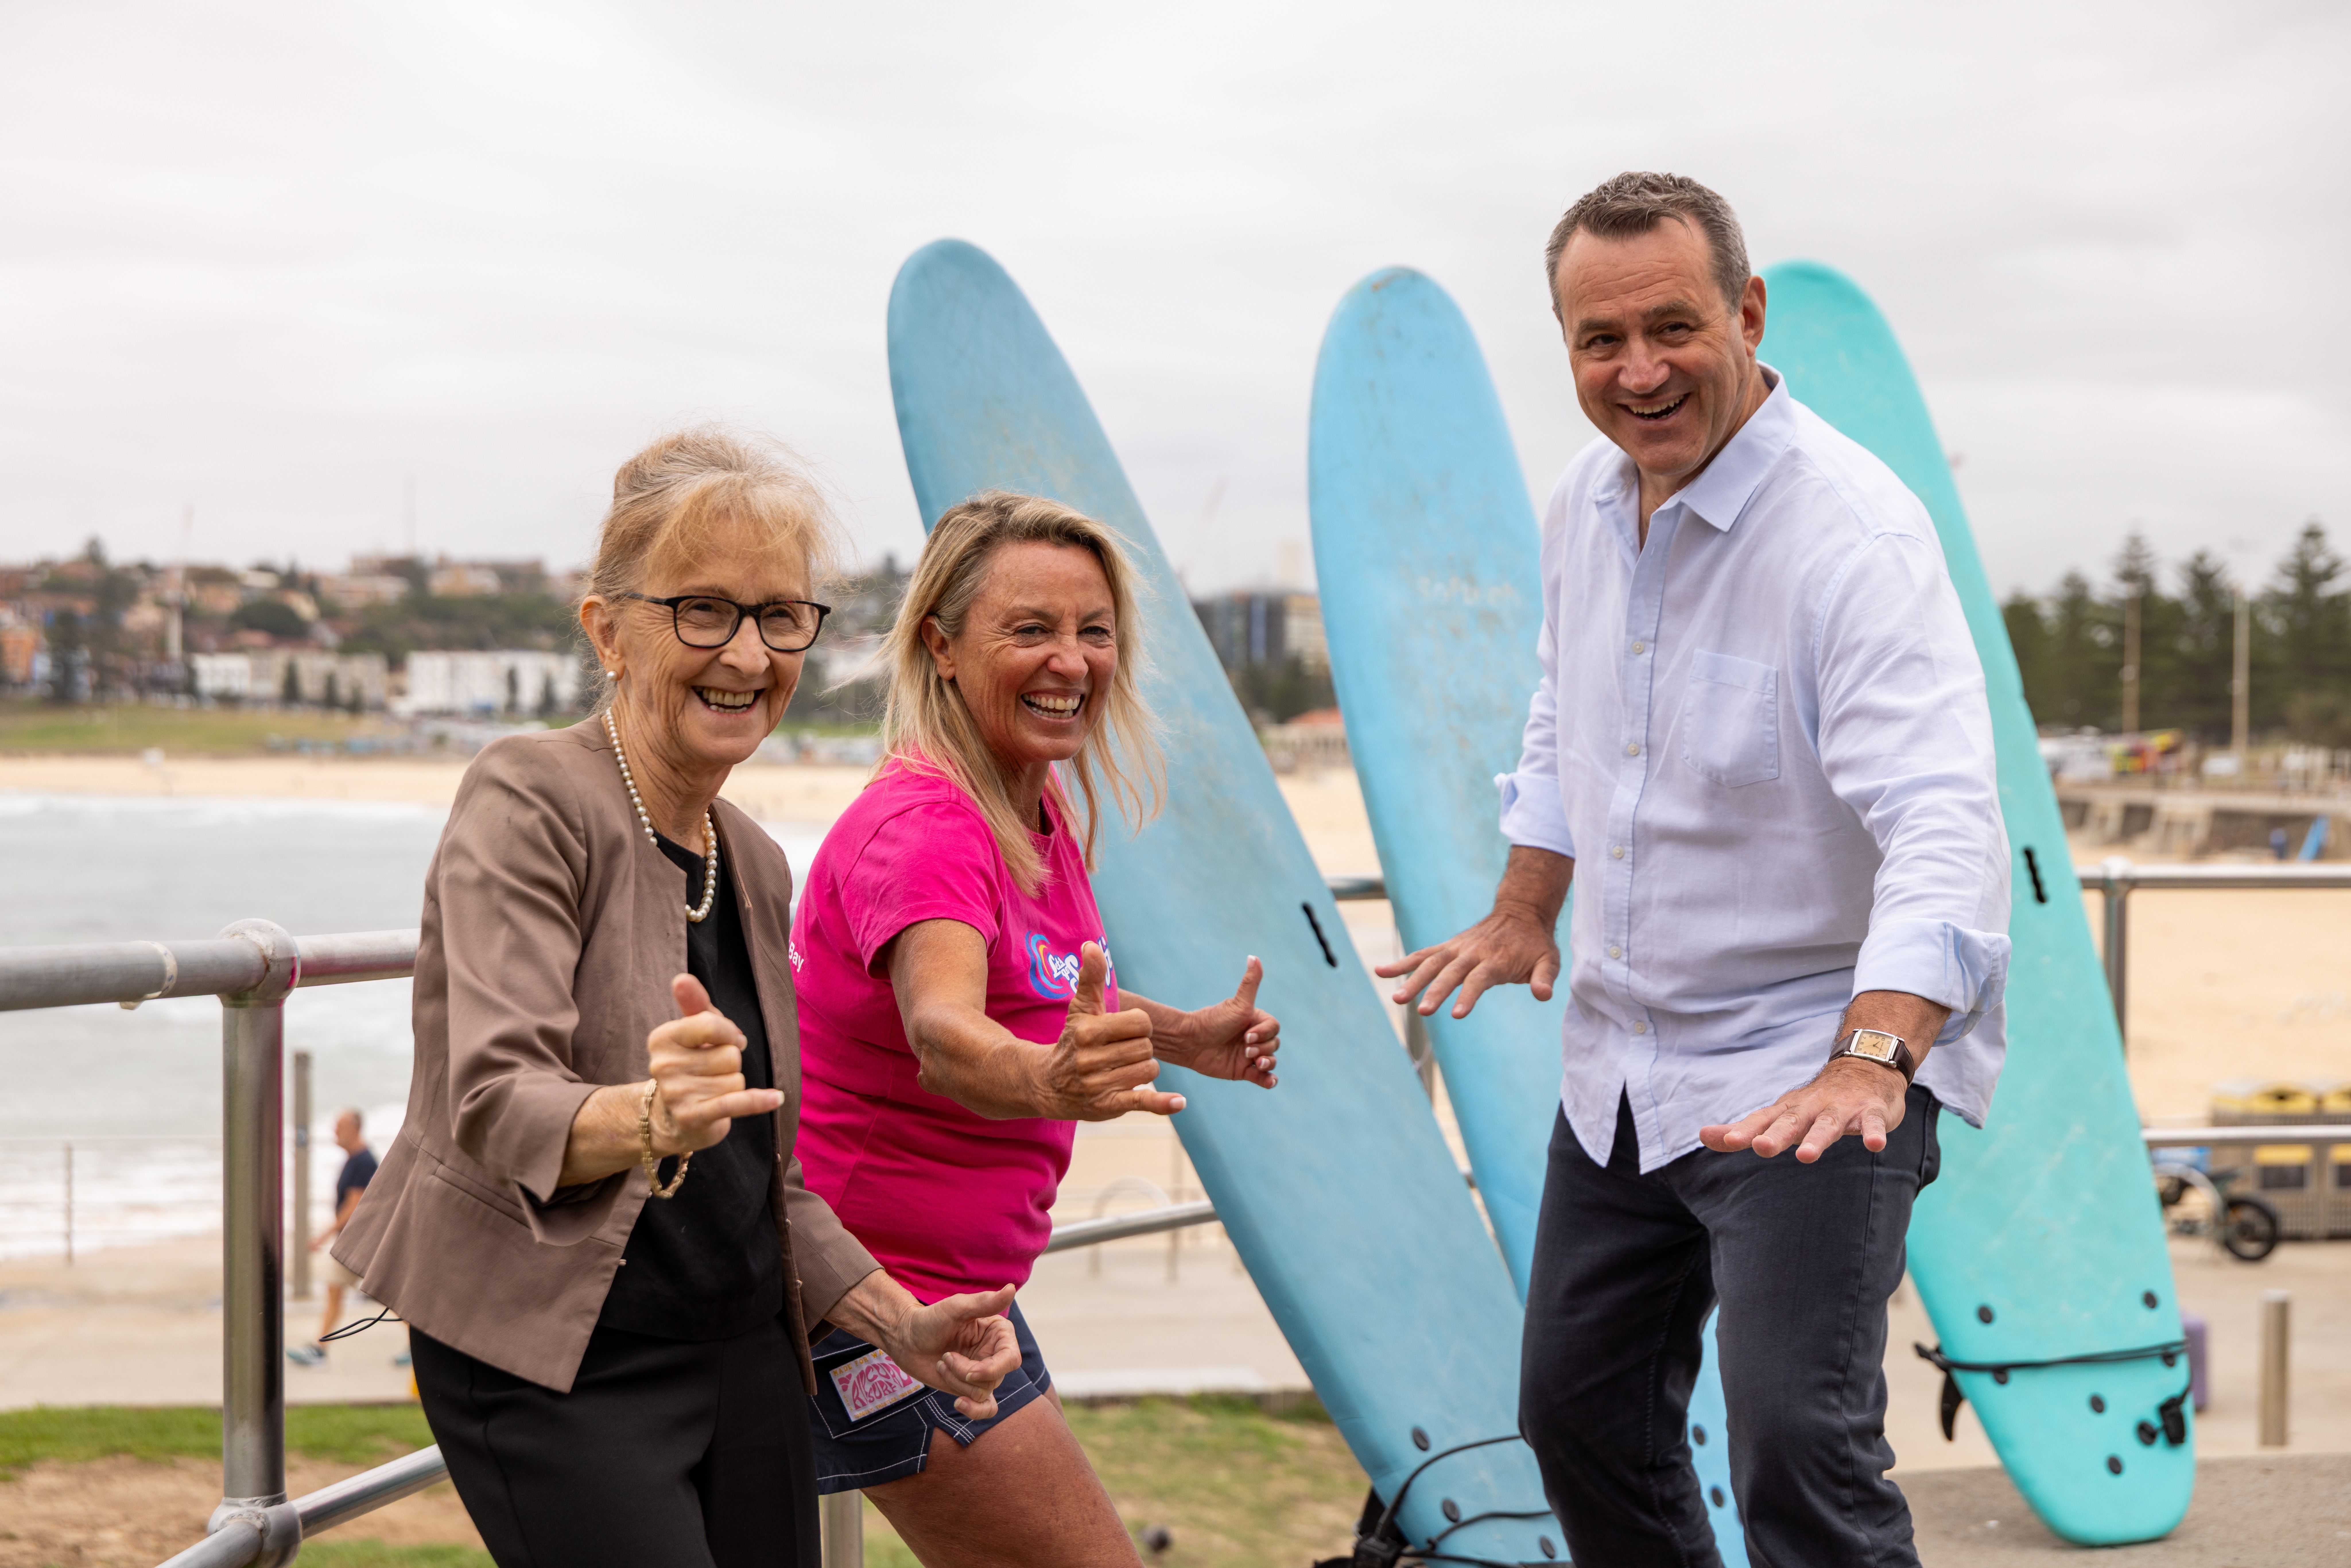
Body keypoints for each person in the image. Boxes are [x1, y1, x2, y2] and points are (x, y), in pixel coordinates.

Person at [1381, 172, 2011, 1567]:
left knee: (1799, 1448)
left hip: (1810, 1070)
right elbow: (1569, 715)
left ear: (1747, 309)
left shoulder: (1853, 536)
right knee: (1580, 1418)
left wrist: (1869, 1059)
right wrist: (1522, 902)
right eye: (1600, 341)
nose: (1640, 370)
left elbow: (1946, 822)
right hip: (1623, 1061)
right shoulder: (1581, 505)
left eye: (1673, 327)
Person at [333, 430, 1021, 1568]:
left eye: (780, 614)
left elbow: (768, 1177)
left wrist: (902, 1323)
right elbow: (497, 1100)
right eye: (703, 610)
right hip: (557, 1354)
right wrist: (648, 1116)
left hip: (745, 1345)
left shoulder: (751, 855)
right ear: (607, 628)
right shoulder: (528, 794)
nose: (747, 654)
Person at [789, 491, 1282, 1567]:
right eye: (1030, 628)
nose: (1070, 659)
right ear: (942, 647)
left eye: (1092, 630)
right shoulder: (926, 827)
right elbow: (945, 1027)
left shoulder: (1028, 800)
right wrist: (1051, 1080)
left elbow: (1039, 985)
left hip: (951, 1287)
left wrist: (1185, 1033)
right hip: (875, 1298)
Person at [286, 1108, 375, 1366]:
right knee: (337, 1292)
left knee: (385, 1295)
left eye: (340, 1127)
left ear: (355, 1129)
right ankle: (320, 1349)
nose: (335, 1132)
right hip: (354, 1242)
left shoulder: (364, 1161)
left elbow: (353, 1206)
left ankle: (319, 1350)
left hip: (358, 1243)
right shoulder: (354, 1159)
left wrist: (322, 1237)